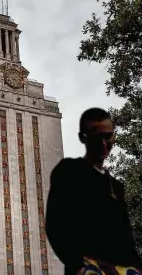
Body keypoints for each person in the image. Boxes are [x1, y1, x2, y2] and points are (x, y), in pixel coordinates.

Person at [46, 107, 142, 275]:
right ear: (84, 138)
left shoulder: (116, 186)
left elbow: (127, 239)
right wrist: (78, 265)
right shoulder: (68, 171)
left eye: (108, 136)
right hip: (88, 268)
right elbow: (56, 225)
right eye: (97, 138)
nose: (104, 144)